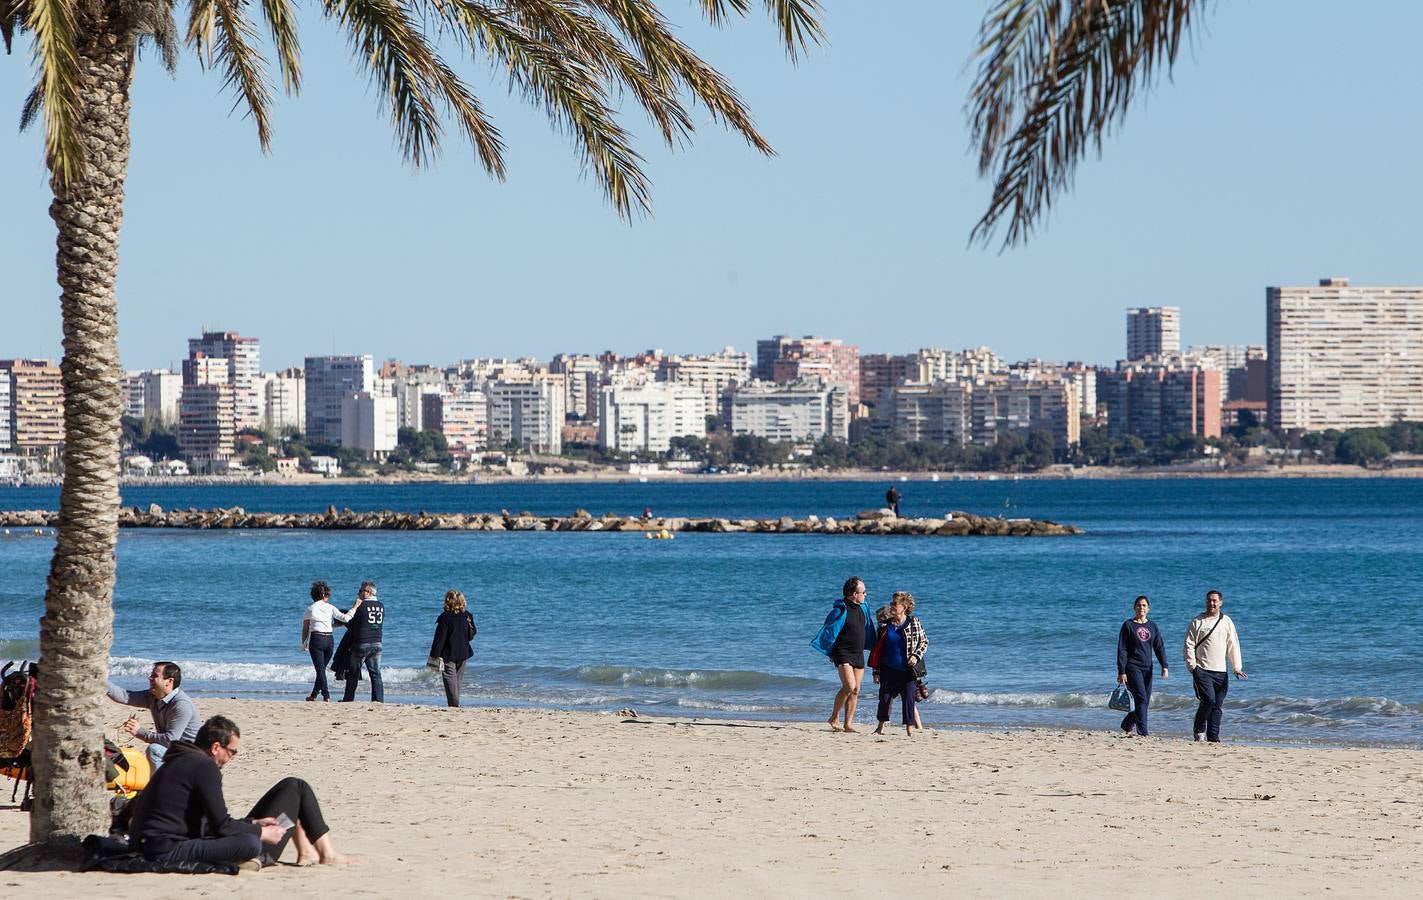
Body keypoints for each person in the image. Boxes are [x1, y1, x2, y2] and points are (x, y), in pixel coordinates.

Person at [128, 714, 357, 867]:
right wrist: (259, 833)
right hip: (166, 849)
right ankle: (311, 856)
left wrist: (253, 824)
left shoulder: (182, 758)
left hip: (160, 842)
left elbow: (209, 822)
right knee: (251, 843)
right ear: (216, 747)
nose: (232, 758)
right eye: (232, 752)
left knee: (293, 785)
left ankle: (314, 853)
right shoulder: (204, 766)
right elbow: (220, 826)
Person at [810, 576, 877, 733]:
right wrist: (830, 651)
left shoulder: (863, 608)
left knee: (856, 689)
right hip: (842, 652)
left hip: (857, 652)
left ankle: (848, 724)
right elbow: (828, 631)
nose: (865, 594)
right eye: (863, 592)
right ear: (854, 594)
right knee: (849, 686)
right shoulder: (839, 610)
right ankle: (834, 717)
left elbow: (868, 629)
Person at [107, 661, 200, 770]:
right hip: (174, 752)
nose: (150, 678)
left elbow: (170, 740)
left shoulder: (181, 704)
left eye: (154, 676)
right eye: (151, 675)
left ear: (169, 681)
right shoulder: (154, 696)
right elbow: (125, 696)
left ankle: (160, 786)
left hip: (192, 758)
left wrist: (139, 732)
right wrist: (101, 681)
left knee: (154, 750)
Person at [1183, 589, 1246, 743]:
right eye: (1209, 600)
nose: (1212, 603)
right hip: (1202, 670)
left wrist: (1236, 666)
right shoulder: (1197, 621)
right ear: (1206, 602)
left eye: (1215, 601)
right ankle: (1199, 730)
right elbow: (1188, 645)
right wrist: (1193, 667)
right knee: (1209, 700)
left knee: (1217, 705)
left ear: (1220, 603)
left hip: (1221, 671)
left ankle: (1213, 737)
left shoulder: (1227, 621)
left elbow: (1233, 645)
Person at [871, 592, 926, 737]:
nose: (892, 606)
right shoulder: (885, 625)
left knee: (908, 699)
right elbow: (878, 650)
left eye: (895, 604)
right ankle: (880, 726)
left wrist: (915, 656)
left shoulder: (914, 622)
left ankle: (909, 729)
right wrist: (876, 671)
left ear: (904, 606)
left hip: (908, 670)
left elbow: (924, 642)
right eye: (892, 603)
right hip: (888, 669)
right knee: (884, 699)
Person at [1115, 595, 1168, 736]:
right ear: (1134, 607)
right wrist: (1121, 671)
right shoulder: (1128, 625)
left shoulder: (1152, 626)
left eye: (1144, 605)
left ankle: (1127, 723)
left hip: (1148, 668)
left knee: (1144, 701)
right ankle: (1143, 732)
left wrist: (1164, 665)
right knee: (1142, 698)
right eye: (1139, 605)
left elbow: (1159, 647)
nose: (1141, 608)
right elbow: (1122, 649)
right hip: (1132, 667)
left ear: (1148, 608)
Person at [300, 581, 362, 702]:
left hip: (316, 640)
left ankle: (326, 695)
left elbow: (305, 628)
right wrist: (355, 607)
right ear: (324, 596)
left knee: (320, 670)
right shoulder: (330, 607)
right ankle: (313, 695)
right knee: (321, 669)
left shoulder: (310, 609)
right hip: (329, 640)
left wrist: (304, 643)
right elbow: (346, 618)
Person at [428, 589, 477, 707]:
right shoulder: (467, 616)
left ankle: (454, 706)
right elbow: (471, 635)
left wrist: (434, 655)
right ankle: (455, 704)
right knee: (457, 682)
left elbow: (439, 639)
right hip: (464, 652)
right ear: (461, 601)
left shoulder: (445, 618)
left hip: (448, 654)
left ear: (447, 601)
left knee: (450, 681)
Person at [340, 581, 386, 703]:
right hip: (377, 642)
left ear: (368, 592)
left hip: (362, 643)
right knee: (376, 674)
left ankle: (348, 699)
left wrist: (344, 618)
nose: (358, 593)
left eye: (361, 591)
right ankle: (378, 700)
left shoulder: (361, 606)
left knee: (353, 673)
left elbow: (353, 624)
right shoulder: (381, 606)